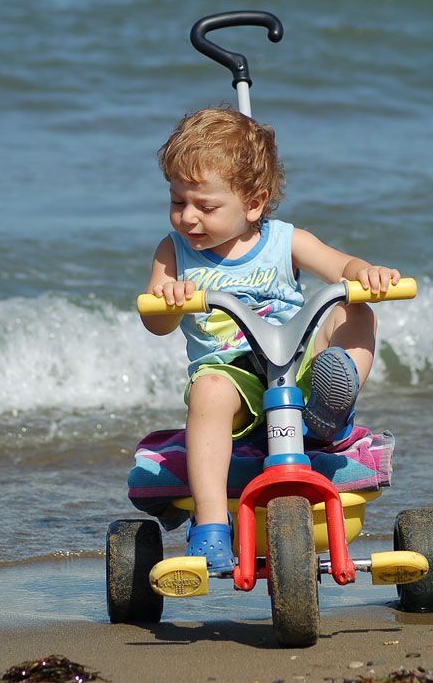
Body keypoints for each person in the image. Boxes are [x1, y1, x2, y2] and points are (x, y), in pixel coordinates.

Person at [140, 107, 400, 570]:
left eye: (206, 206)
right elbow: (156, 321)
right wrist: (172, 297)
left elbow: (342, 267)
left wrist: (367, 274)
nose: (188, 217)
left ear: (254, 204)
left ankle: (329, 405)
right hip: (232, 372)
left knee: (354, 306)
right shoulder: (173, 250)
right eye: (178, 201)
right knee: (209, 391)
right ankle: (212, 525)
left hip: (295, 359)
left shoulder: (285, 240)